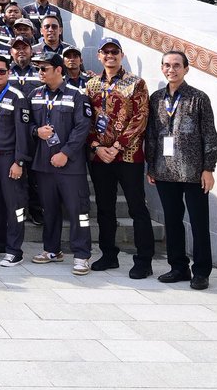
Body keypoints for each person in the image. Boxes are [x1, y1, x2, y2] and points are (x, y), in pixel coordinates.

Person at [143, 50, 217, 290]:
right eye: (167, 65)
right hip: (164, 171)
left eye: (177, 65)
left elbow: (210, 135)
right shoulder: (156, 98)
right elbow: (152, 135)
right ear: (162, 68)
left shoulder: (198, 98)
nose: (171, 69)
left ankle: (201, 272)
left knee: (198, 222)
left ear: (186, 69)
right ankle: (178, 267)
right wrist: (151, 164)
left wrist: (209, 168)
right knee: (172, 221)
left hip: (193, 171)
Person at [85, 37, 154, 279]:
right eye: (106, 52)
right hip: (100, 157)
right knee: (105, 208)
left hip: (128, 156)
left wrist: (116, 146)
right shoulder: (91, 85)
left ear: (121, 55)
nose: (110, 56)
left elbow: (140, 118)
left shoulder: (136, 83)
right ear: (99, 56)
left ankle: (144, 260)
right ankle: (108, 255)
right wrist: (96, 146)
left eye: (114, 51)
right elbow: (87, 119)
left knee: (137, 208)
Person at [28, 51, 93, 274]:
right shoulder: (35, 94)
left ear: (58, 70)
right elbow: (25, 124)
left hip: (70, 167)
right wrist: (36, 131)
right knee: (50, 210)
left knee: (78, 212)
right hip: (43, 165)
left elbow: (82, 128)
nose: (40, 73)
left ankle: (82, 254)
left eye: (44, 69)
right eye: (38, 69)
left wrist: (65, 153)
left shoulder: (77, 96)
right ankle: (51, 250)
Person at [0, 54, 31, 267]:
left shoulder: (17, 96)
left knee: (14, 205)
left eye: (2, 71)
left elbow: (24, 132)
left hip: (9, 158)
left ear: (9, 73)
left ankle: (14, 250)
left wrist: (19, 161)